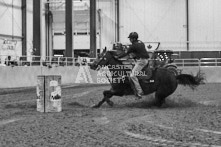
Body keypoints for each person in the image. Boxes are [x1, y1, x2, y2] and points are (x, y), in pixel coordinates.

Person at [117, 32, 149, 99]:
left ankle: (139, 91)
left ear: (134, 38)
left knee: (132, 75)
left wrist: (118, 57)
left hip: (141, 61)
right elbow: (138, 52)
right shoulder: (141, 42)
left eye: (130, 38)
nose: (130, 40)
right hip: (143, 60)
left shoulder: (133, 46)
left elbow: (126, 53)